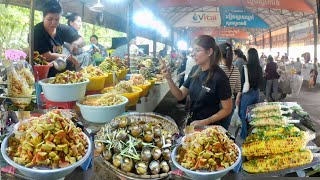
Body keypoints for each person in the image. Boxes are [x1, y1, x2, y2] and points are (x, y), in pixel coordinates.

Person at [161, 35, 232, 129]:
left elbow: (227, 109)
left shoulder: (220, 77)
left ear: (209, 52)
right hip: (192, 123)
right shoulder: (195, 70)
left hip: (209, 128)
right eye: (193, 50)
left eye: (197, 50)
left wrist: (205, 122)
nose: (193, 54)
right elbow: (180, 95)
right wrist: (169, 79)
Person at [34, 0, 85, 77]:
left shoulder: (62, 28)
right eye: (50, 19)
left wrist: (76, 43)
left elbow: (82, 41)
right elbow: (45, 55)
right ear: (43, 17)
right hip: (42, 73)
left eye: (57, 19)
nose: (54, 23)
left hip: (59, 70)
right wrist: (67, 57)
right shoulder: (37, 31)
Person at [238, 48, 263, 139]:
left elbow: (242, 82)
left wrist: (238, 96)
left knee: (243, 114)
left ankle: (245, 135)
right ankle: (253, 133)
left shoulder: (245, 67)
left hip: (247, 94)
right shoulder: (259, 68)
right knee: (253, 114)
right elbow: (261, 81)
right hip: (256, 92)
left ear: (249, 56)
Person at [218, 43, 241, 129]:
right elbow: (238, 88)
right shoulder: (235, 69)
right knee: (224, 128)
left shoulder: (217, 69)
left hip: (217, 102)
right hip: (230, 101)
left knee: (215, 128)